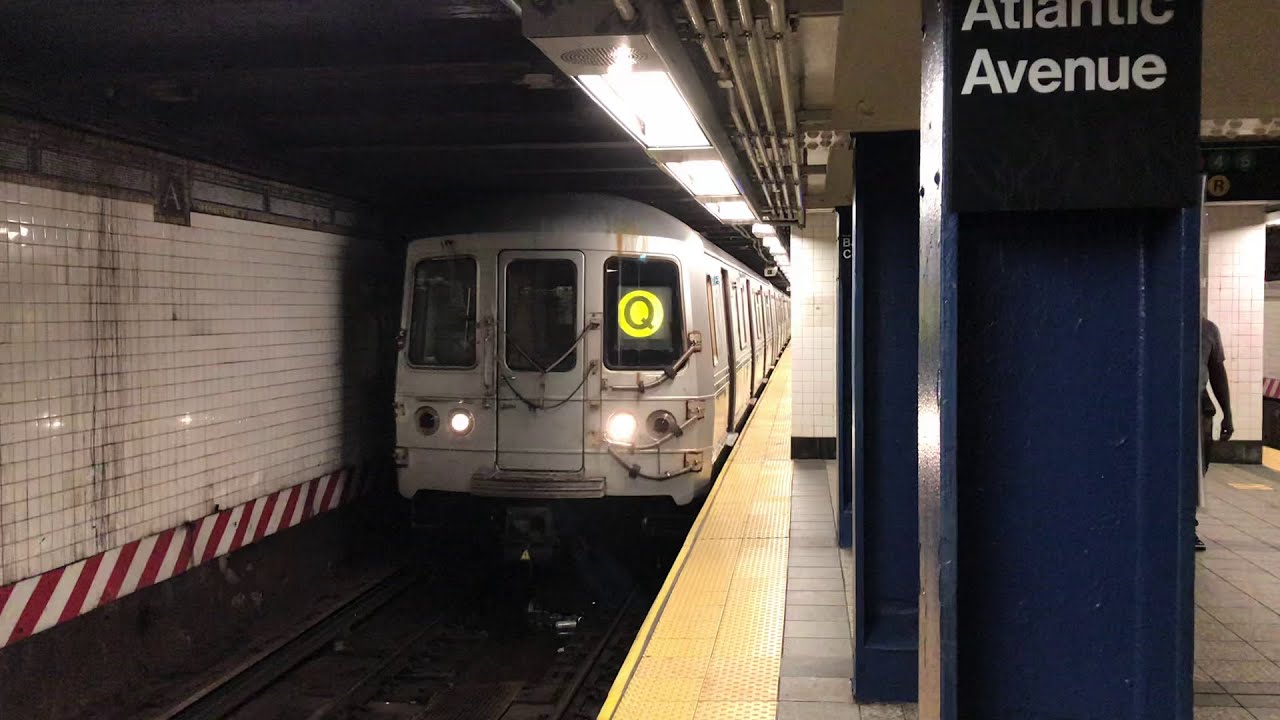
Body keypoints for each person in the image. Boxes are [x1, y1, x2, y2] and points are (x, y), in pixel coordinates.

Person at [1199, 317, 1234, 552]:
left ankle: (1187, 524)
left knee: (1198, 468)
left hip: (1199, 406)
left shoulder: (1208, 329)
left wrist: (1227, 413)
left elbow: (1217, 372)